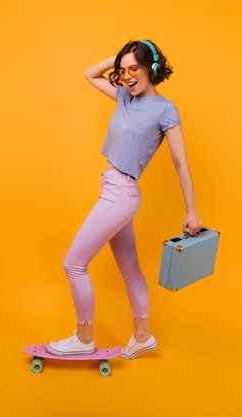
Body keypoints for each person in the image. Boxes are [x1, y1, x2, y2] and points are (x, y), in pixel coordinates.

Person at [46, 40, 202, 359]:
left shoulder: (165, 109)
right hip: (112, 190)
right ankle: (143, 337)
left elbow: (180, 163)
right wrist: (120, 59)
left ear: (152, 69)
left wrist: (191, 211)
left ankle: (83, 338)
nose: (127, 77)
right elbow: (90, 74)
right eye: (122, 71)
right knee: (130, 270)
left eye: (135, 69)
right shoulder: (123, 97)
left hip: (122, 193)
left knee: (73, 264)